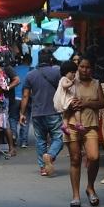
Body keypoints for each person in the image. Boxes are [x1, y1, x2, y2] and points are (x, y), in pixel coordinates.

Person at [63, 57, 104, 207]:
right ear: (77, 67)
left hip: (91, 125)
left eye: (88, 67)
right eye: (82, 66)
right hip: (72, 125)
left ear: (91, 69)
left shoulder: (96, 83)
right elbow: (60, 101)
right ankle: (75, 195)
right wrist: (70, 105)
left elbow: (102, 103)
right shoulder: (70, 82)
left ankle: (90, 187)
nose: (84, 70)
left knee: (93, 157)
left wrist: (86, 103)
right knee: (75, 159)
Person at [19, 49, 63, 177]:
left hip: (37, 113)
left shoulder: (30, 75)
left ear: (38, 59)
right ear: (50, 59)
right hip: (53, 112)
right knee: (59, 138)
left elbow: (25, 96)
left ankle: (43, 168)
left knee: (40, 140)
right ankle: (50, 155)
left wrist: (22, 114)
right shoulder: (57, 73)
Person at [53, 61, 83, 133]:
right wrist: (71, 83)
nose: (74, 74)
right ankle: (78, 123)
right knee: (77, 108)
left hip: (66, 99)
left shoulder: (70, 79)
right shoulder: (64, 79)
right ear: (66, 72)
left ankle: (65, 126)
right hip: (65, 99)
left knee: (66, 113)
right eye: (72, 72)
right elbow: (64, 86)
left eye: (74, 72)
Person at [10, 54, 32, 148]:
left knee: (13, 118)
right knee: (25, 118)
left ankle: (13, 136)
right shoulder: (32, 70)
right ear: (30, 61)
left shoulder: (14, 69)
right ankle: (23, 141)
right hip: (26, 98)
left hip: (14, 98)